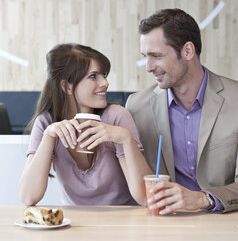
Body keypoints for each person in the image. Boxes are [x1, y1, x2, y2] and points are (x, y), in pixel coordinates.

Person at [126, 8, 238, 214]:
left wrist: (202, 199)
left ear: (187, 51)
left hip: (233, 219)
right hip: (169, 222)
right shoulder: (136, 105)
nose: (148, 67)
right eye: (145, 56)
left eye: (156, 56)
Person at [18, 43, 152, 206]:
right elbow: (28, 197)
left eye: (104, 75)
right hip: (73, 225)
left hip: (122, 223)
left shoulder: (117, 117)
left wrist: (126, 138)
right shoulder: (47, 123)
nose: (105, 83)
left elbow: (146, 198)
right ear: (67, 86)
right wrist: (48, 136)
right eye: (93, 76)